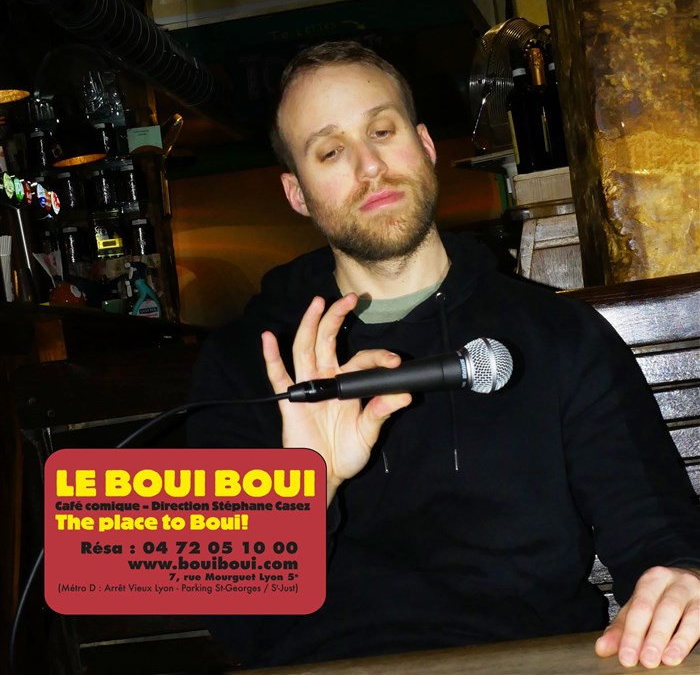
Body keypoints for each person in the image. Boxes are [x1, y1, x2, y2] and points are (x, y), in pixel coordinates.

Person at [188, 40, 700, 670]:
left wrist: (681, 579)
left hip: (527, 661)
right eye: (330, 151)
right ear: (297, 193)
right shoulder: (246, 364)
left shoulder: (556, 334)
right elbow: (232, 621)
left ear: (425, 145)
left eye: (382, 131)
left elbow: (656, 530)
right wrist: (305, 490)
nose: (369, 166)